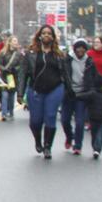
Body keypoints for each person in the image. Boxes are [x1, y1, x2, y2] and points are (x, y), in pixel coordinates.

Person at [17, 25, 71, 159]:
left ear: (53, 37)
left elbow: (65, 74)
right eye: (44, 33)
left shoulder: (60, 54)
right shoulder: (30, 53)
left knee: (50, 117)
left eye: (49, 33)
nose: (46, 35)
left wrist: (70, 91)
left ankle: (48, 146)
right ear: (39, 36)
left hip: (55, 89)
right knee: (35, 121)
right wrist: (20, 93)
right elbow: (22, 74)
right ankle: (37, 140)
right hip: (35, 90)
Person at [61, 38, 91, 155]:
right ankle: (69, 137)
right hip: (69, 93)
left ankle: (78, 145)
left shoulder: (89, 61)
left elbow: (93, 77)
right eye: (78, 48)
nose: (80, 50)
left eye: (83, 48)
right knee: (64, 120)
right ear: (74, 49)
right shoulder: (67, 59)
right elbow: (62, 74)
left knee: (80, 122)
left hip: (82, 95)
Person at [0, 36, 22, 121]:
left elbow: (21, 65)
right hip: (4, 77)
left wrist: (16, 69)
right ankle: (4, 114)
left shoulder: (19, 54)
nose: (16, 42)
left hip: (13, 77)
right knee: (4, 95)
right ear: (10, 42)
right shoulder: (3, 53)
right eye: (14, 41)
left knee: (11, 96)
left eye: (16, 41)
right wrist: (3, 68)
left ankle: (11, 112)